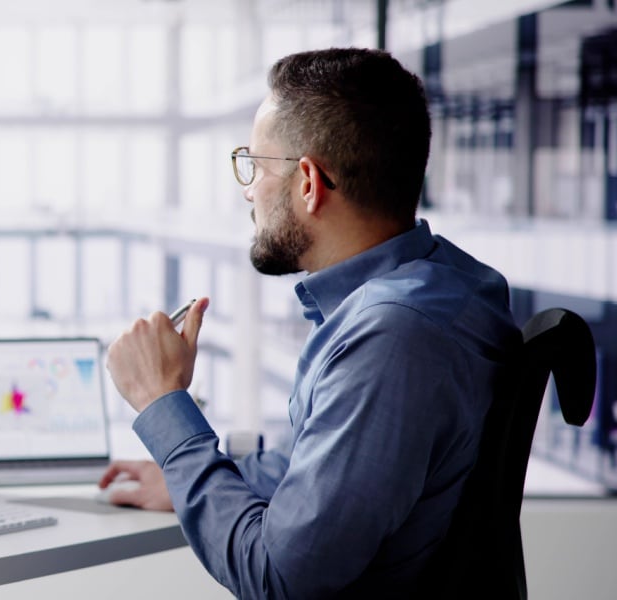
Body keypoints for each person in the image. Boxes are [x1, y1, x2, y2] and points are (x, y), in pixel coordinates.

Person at [100, 48, 521, 598]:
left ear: (307, 182)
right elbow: (316, 462)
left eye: (254, 165)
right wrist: (195, 476)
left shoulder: (392, 338)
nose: (248, 190)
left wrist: (164, 408)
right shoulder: (451, 284)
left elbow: (278, 578)